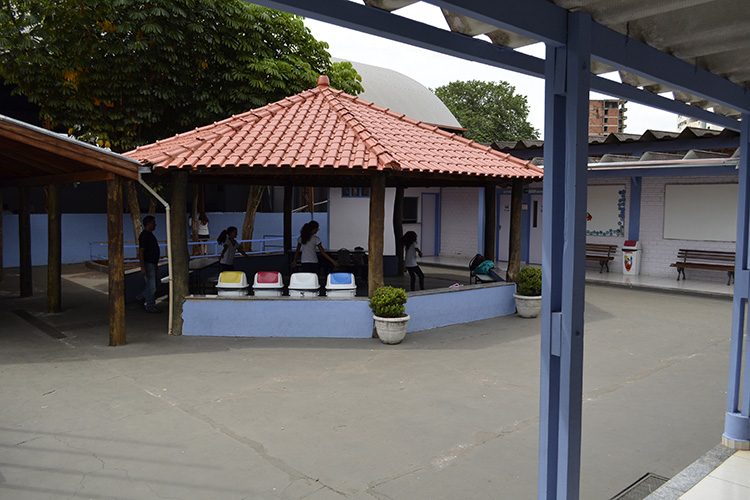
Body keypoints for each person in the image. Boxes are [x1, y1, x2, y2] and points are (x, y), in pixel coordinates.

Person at [135, 215, 161, 313]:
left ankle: (140, 297)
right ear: (148, 224)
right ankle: (150, 305)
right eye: (153, 223)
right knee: (152, 286)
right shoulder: (144, 236)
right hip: (148, 263)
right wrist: (142, 266)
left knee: (156, 284)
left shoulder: (150, 235)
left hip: (153, 262)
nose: (155, 225)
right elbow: (141, 251)